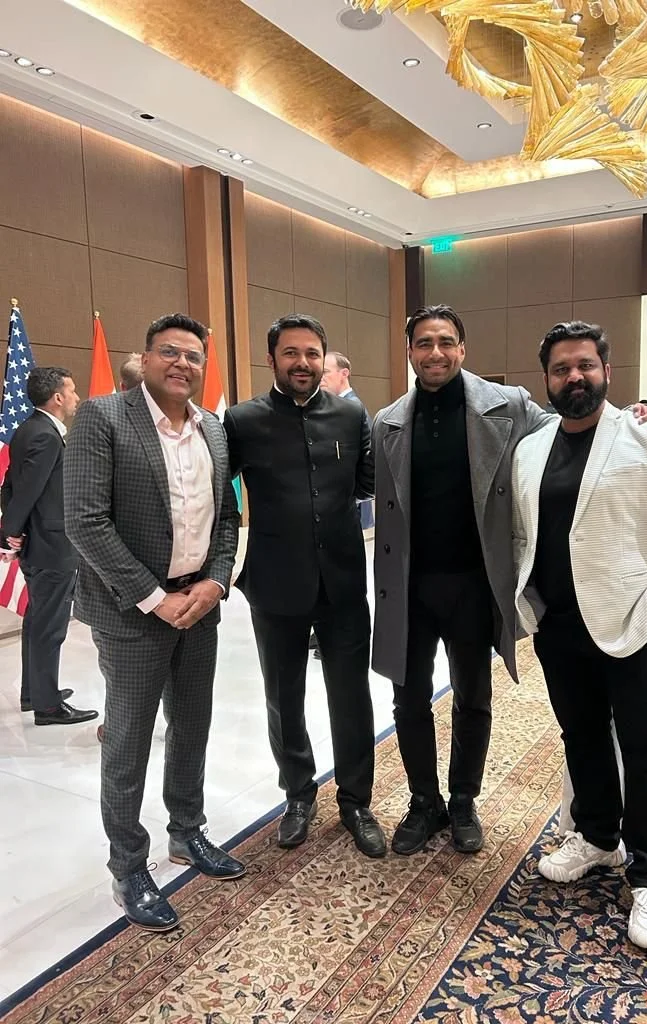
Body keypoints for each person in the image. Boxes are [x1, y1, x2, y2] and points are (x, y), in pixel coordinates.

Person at [371, 305, 647, 858]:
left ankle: (463, 802)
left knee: (472, 696)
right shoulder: (387, 419)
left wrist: (639, 415)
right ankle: (423, 801)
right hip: (410, 586)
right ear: (409, 351)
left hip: (475, 583)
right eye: (423, 343)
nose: (435, 353)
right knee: (408, 700)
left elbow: (578, 422)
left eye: (446, 342)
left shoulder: (506, 407)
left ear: (462, 349)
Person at [512, 320, 647, 952]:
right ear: (545, 379)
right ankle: (598, 839)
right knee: (582, 736)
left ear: (606, 370)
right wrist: (534, 606)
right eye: (561, 368)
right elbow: (527, 534)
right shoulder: (531, 448)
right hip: (560, 625)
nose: (574, 377)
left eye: (585, 366)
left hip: (635, 625)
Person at [64, 313, 244, 932]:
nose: (183, 364)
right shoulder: (103, 418)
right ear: (145, 357)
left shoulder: (214, 430)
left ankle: (187, 832)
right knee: (130, 739)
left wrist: (216, 581)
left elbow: (225, 520)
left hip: (199, 604)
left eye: (194, 356)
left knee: (192, 725)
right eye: (170, 352)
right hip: (133, 613)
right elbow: (85, 521)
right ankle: (128, 865)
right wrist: (152, 596)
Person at [224, 314, 385, 858]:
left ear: (325, 358)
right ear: (271, 359)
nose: (303, 363)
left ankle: (357, 801)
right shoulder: (242, 420)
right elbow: (218, 497)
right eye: (291, 353)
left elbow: (372, 483)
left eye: (312, 353)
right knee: (282, 698)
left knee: (351, 696)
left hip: (342, 582)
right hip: (274, 583)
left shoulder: (349, 413)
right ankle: (297, 794)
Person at [0, 367, 97, 724]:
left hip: (38, 543)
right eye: (71, 391)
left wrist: (13, 528)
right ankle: (48, 706)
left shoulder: (27, 430)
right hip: (52, 545)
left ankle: (35, 691)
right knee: (50, 626)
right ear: (57, 397)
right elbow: (27, 491)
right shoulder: (46, 436)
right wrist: (8, 531)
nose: (75, 397)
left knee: (38, 621)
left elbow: (7, 486)